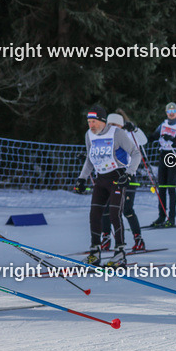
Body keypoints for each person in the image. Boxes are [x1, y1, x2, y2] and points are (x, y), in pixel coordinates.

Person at [74, 105, 140, 267]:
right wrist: (82, 178)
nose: (91, 125)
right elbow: (90, 159)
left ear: (103, 121)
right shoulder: (89, 135)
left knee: (114, 214)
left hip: (117, 177)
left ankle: (120, 253)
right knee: (94, 214)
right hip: (101, 179)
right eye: (89, 122)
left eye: (94, 121)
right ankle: (95, 252)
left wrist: (129, 174)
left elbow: (135, 153)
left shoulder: (117, 133)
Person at [101, 112, 150, 252]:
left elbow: (144, 141)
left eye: (115, 124)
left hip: (127, 177)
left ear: (121, 126)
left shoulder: (128, 136)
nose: (112, 127)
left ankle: (138, 240)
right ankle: (105, 239)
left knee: (127, 209)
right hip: (110, 176)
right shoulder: (105, 137)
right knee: (106, 208)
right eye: (109, 124)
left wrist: (134, 129)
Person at [150, 102, 176, 228]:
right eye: (169, 112)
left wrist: (170, 138)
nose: (171, 114)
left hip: (174, 155)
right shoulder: (163, 124)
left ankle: (171, 218)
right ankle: (161, 216)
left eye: (173, 111)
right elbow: (153, 136)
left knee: (170, 187)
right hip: (163, 155)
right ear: (166, 113)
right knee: (161, 187)